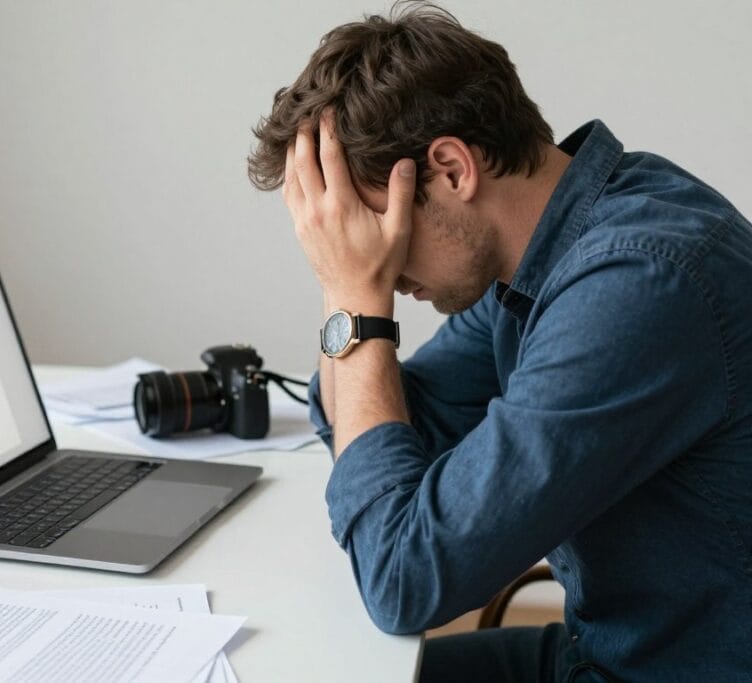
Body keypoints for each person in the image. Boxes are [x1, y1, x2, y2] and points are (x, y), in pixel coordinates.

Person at [247, 3, 752, 681]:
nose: (383, 269)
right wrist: (341, 286)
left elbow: (404, 577)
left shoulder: (637, 284)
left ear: (452, 170)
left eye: (371, 228)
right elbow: (384, 429)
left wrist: (352, 295)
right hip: (605, 652)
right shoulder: (547, 256)